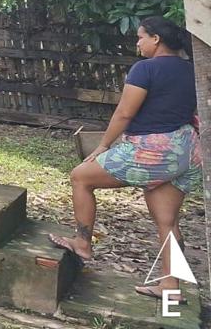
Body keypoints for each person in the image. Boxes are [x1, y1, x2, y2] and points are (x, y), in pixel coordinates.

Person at [49, 16, 200, 302]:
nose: (138, 43)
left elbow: (124, 113)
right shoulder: (191, 69)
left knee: (80, 177)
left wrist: (103, 146)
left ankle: (82, 243)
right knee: (167, 221)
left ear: (156, 39)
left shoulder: (145, 69)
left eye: (141, 37)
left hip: (153, 150)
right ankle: (170, 288)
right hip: (185, 150)